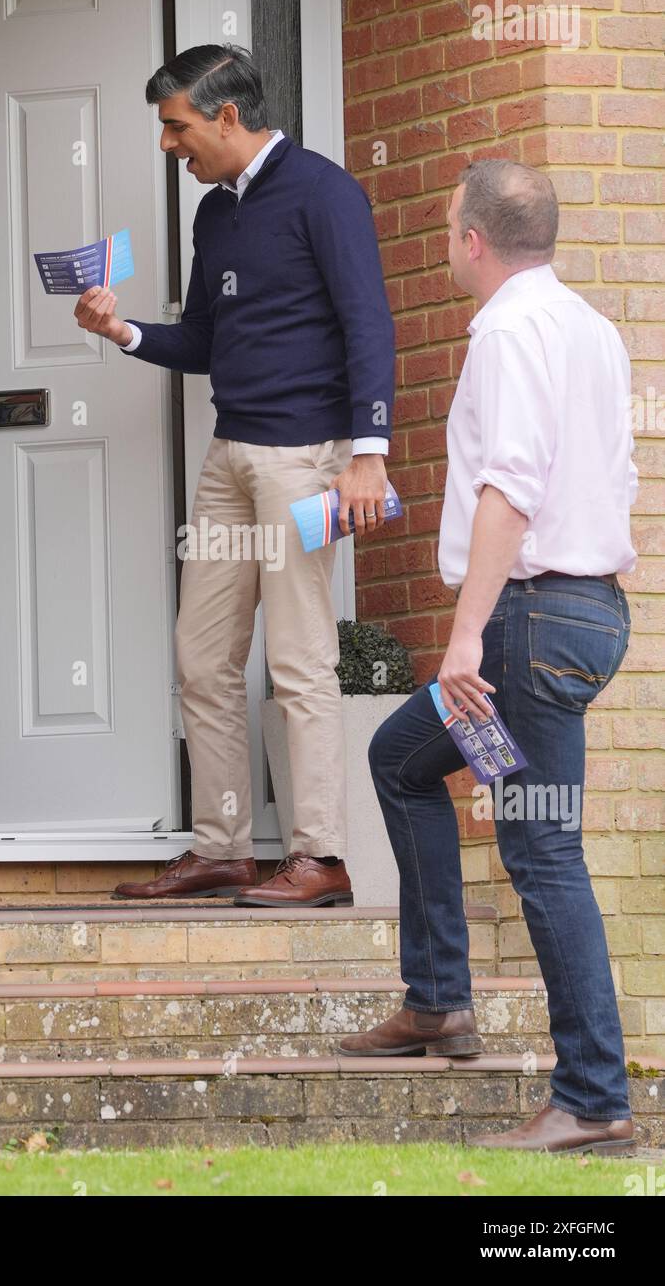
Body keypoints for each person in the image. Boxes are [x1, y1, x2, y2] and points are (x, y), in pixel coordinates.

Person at [338, 159, 638, 1155]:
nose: (443, 245)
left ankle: (593, 1097)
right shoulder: (591, 329)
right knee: (404, 759)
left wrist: (468, 634)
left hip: (526, 626)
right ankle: (438, 1003)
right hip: (586, 618)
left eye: (446, 229)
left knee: (542, 845)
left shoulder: (508, 330)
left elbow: (510, 484)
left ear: (474, 239)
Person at [75, 45, 395, 905]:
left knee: (298, 659)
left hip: (307, 461)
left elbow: (369, 321)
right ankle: (221, 846)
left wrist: (369, 452)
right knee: (202, 658)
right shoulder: (214, 215)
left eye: (176, 127)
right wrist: (124, 331)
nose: (168, 145)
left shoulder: (324, 191)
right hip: (229, 458)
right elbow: (206, 342)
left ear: (225, 115)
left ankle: (320, 857)